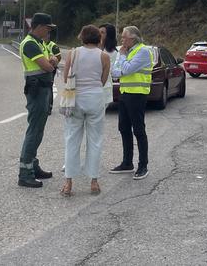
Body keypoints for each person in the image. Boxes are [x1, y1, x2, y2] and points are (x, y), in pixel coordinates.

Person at [60, 25, 110, 196]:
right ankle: (94, 181)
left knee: (72, 139)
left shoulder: (73, 53)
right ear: (99, 38)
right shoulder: (104, 56)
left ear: (81, 37)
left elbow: (66, 77)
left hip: (75, 99)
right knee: (95, 140)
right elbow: (103, 80)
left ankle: (68, 182)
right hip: (95, 98)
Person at [17, 13, 59, 188]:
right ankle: (25, 173)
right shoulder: (30, 44)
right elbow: (48, 65)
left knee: (38, 130)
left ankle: (33, 166)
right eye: (48, 28)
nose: (49, 31)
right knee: (34, 130)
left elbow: (54, 59)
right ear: (39, 26)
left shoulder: (40, 43)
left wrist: (53, 60)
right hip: (37, 90)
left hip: (43, 88)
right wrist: (52, 62)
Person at [109, 25, 154, 180]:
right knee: (124, 128)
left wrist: (121, 58)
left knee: (139, 130)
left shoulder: (142, 51)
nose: (122, 40)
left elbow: (126, 70)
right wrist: (121, 62)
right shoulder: (128, 52)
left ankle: (143, 166)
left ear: (133, 37)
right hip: (125, 94)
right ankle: (127, 162)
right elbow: (115, 72)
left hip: (137, 95)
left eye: (124, 37)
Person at [99, 23, 118, 106]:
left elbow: (113, 72)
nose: (99, 34)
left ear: (109, 35)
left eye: (102, 32)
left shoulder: (113, 53)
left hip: (104, 87)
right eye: (98, 32)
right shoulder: (93, 49)